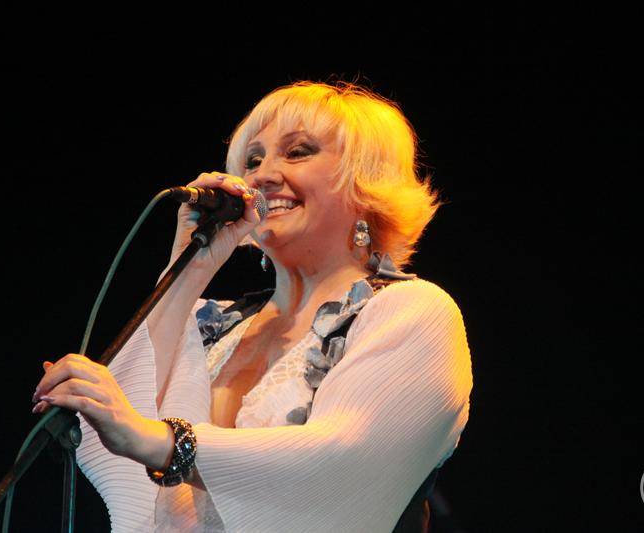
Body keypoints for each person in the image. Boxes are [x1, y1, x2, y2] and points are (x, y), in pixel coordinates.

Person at [32, 80, 474, 532]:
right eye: (253, 160)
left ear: (366, 181)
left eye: (297, 152)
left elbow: (342, 462)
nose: (262, 175)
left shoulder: (413, 312)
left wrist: (163, 443)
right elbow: (120, 448)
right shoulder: (213, 325)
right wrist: (189, 267)